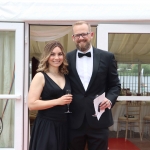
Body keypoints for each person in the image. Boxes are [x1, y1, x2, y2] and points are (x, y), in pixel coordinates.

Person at [66, 21, 121, 150]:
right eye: (77, 35)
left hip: (99, 119)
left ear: (91, 34)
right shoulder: (66, 58)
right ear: (73, 38)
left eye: (84, 34)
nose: (81, 38)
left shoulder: (107, 57)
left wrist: (110, 99)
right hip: (74, 120)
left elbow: (115, 85)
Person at [28, 41, 72, 150]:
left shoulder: (66, 76)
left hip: (64, 125)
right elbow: (32, 105)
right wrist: (58, 101)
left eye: (60, 54)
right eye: (52, 54)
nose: (56, 57)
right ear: (47, 56)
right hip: (46, 126)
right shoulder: (40, 76)